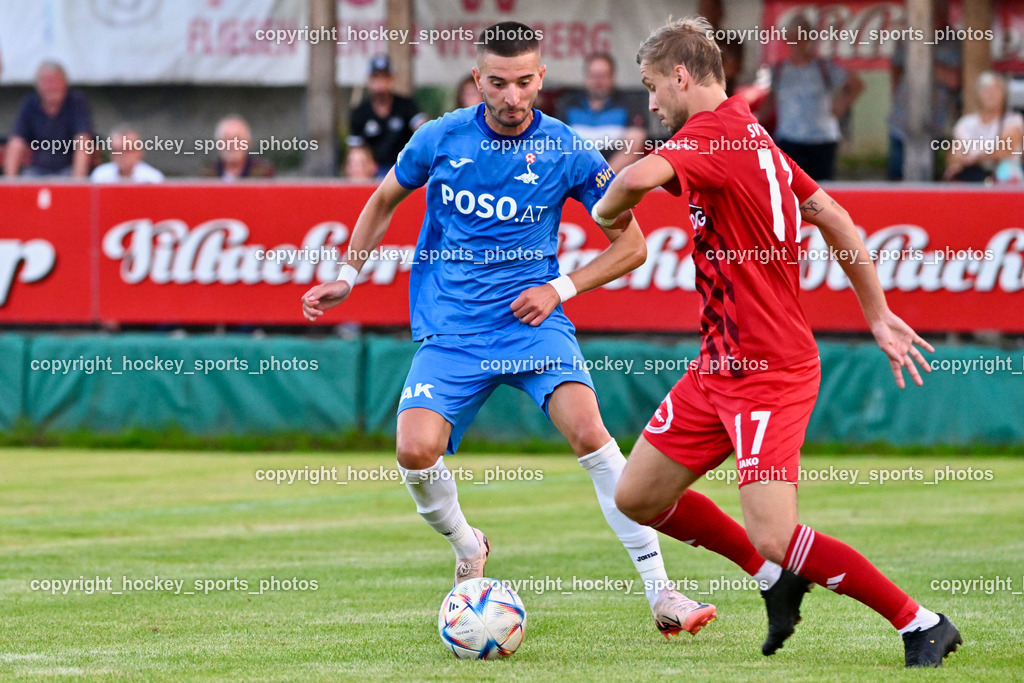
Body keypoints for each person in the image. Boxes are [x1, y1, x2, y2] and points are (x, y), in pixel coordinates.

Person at [302, 21, 717, 639]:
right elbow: (383, 199)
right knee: (413, 451)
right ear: (478, 79)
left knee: (591, 434)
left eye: (524, 81)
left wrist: (559, 289)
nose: (512, 96)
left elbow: (632, 247)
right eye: (498, 83)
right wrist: (346, 274)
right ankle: (469, 546)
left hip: (532, 326)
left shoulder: (566, 150)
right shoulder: (440, 137)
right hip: (453, 329)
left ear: (541, 78)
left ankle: (662, 592)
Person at [592, 17, 961, 668]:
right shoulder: (749, 134)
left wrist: (605, 214)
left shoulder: (710, 135)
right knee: (638, 497)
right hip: (718, 368)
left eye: (651, 86)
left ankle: (922, 622)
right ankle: (775, 580)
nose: (650, 103)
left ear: (681, 76)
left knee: (774, 532)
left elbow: (630, 182)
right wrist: (876, 314)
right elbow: (832, 215)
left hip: (769, 371)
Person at [760, 19, 863, 181]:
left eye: (801, 37)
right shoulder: (779, 70)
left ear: (809, 39)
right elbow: (770, 100)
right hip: (789, 138)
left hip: (821, 140)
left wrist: (840, 106)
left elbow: (857, 84)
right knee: (789, 186)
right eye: (792, 37)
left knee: (821, 187)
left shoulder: (824, 67)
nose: (797, 42)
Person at [887, 0, 961, 180]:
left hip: (935, 123)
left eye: (940, 10)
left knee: (927, 178)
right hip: (901, 121)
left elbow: (955, 80)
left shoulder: (954, 42)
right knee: (895, 179)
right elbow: (896, 68)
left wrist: (923, 64)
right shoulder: (907, 37)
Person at [558, 53, 648, 172]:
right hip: (577, 177)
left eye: (603, 76)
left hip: (617, 178)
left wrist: (604, 176)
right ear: (586, 76)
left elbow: (633, 148)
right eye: (594, 75)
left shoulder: (630, 104)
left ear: (613, 76)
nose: (598, 81)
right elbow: (559, 146)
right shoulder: (568, 105)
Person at [5, 61, 93, 177]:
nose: (51, 86)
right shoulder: (30, 104)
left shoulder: (76, 103)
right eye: (46, 81)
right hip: (36, 171)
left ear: (65, 83)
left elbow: (83, 141)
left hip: (67, 170)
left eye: (55, 81)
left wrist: (78, 181)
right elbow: (16, 142)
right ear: (38, 85)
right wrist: (11, 181)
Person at [347, 55, 428, 177]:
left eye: (384, 78)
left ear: (392, 79)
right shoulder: (360, 112)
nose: (380, 84)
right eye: (376, 78)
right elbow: (355, 148)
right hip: (372, 172)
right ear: (369, 80)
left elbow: (423, 130)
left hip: (403, 169)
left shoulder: (406, 105)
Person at [943, 71, 1024, 183]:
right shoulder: (966, 123)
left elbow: (1004, 150)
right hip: (974, 179)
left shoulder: (1013, 120)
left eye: (995, 90)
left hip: (1004, 182)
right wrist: (963, 161)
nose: (991, 95)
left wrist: (973, 158)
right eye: (986, 90)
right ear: (978, 94)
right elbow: (954, 155)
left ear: (1004, 94)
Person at [200, 116, 274, 180]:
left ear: (248, 143)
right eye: (226, 139)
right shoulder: (208, 175)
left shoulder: (262, 174)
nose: (232, 144)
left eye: (238, 139)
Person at [91, 126, 164, 183]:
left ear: (140, 152)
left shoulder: (153, 179)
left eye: (127, 150)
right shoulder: (100, 176)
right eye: (117, 150)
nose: (122, 156)